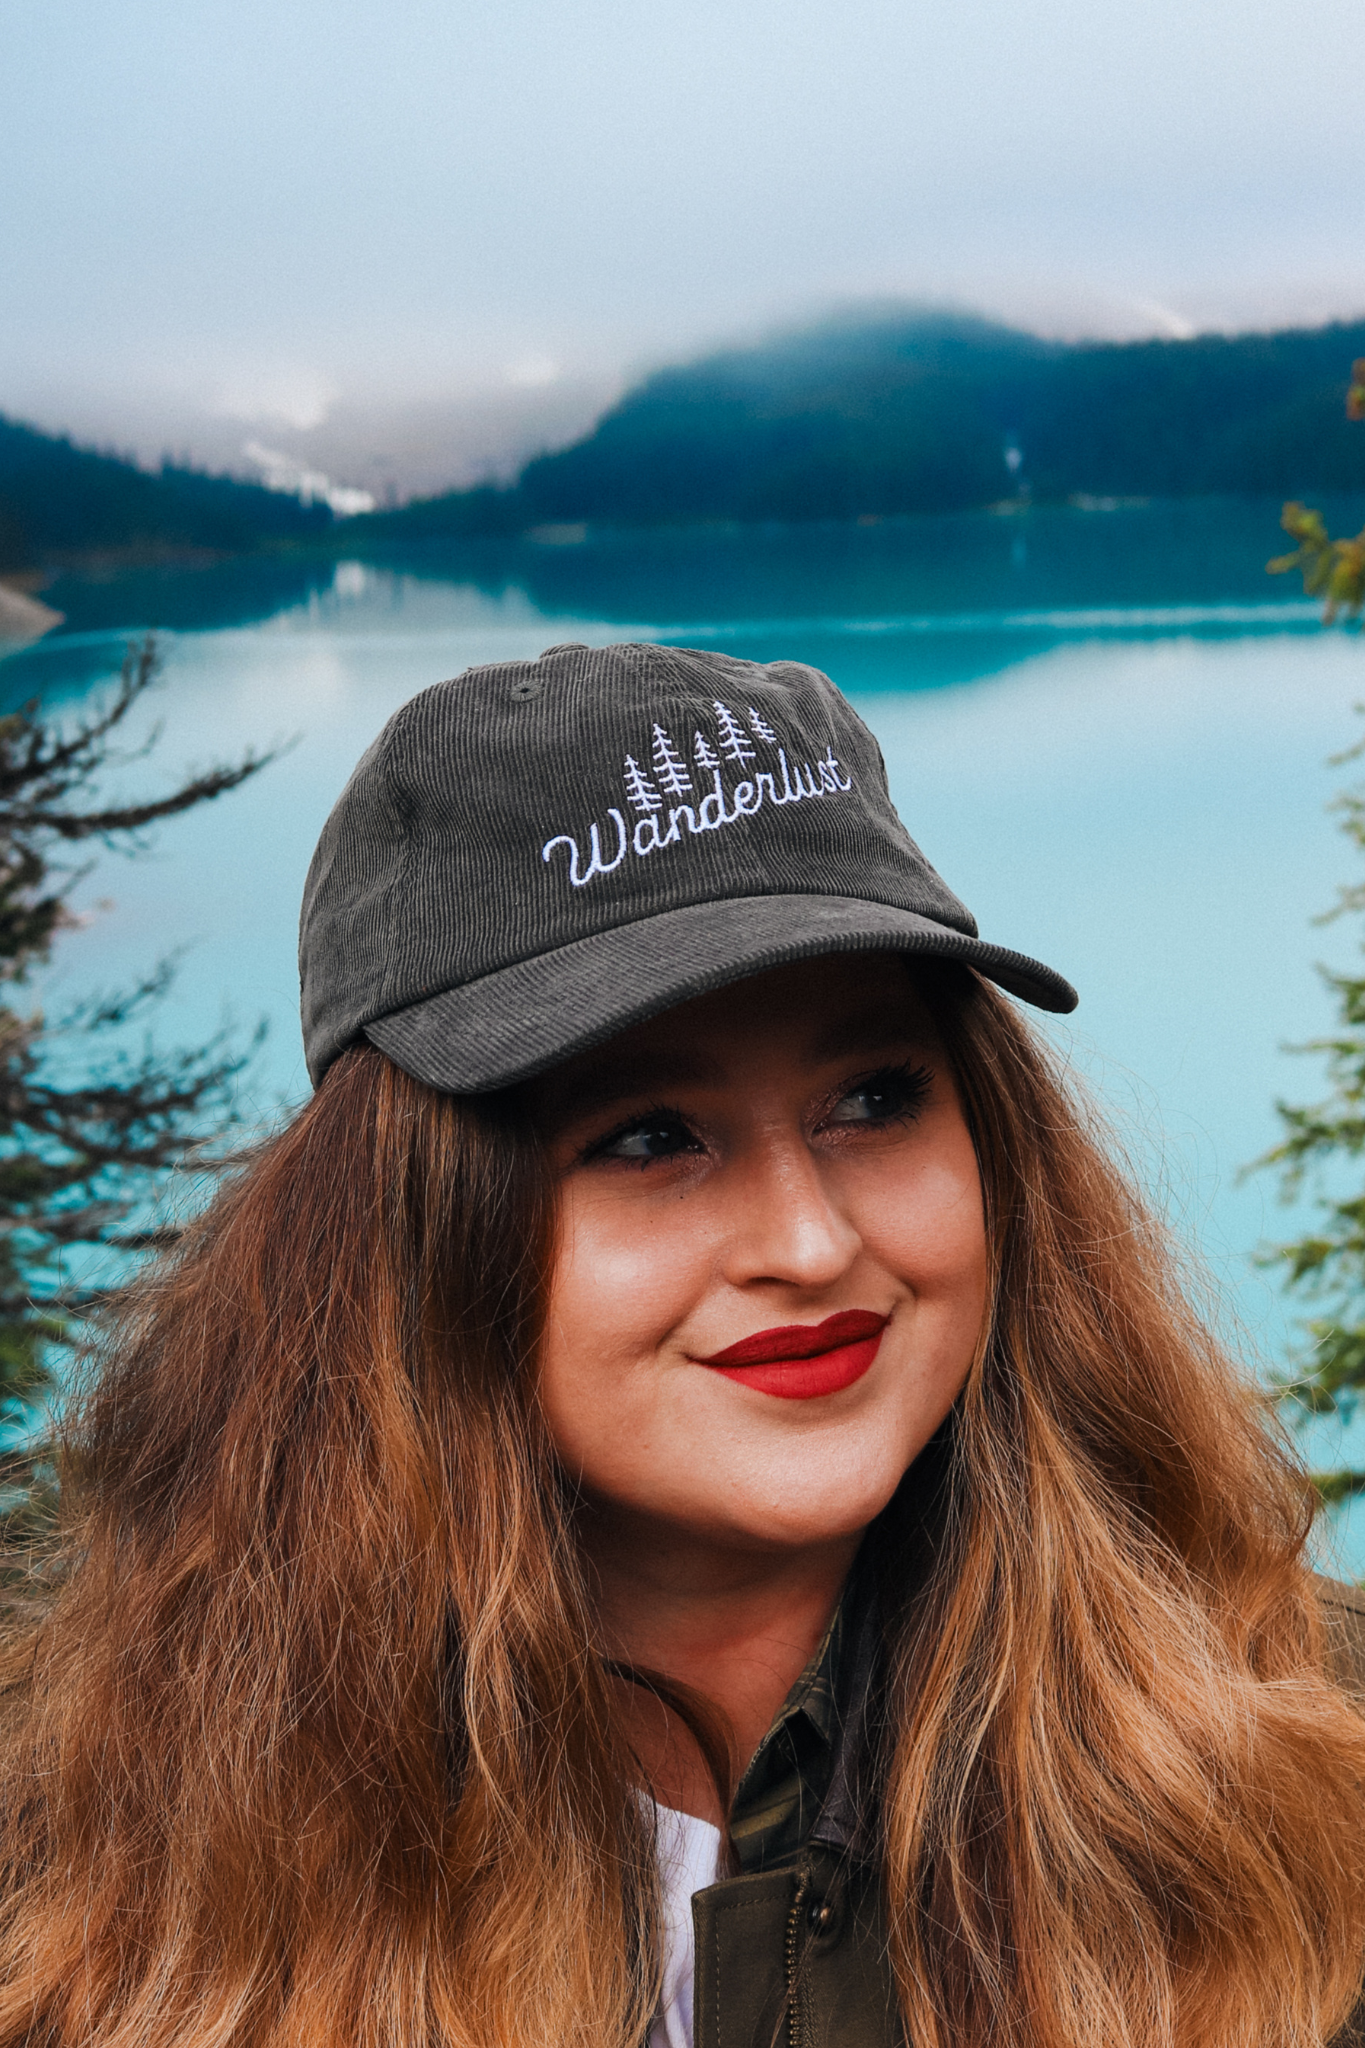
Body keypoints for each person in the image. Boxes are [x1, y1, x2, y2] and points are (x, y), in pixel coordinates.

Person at [1, 640, 1364, 2048]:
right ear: (402, 1233)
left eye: (874, 1099)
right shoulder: (81, 1854)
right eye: (651, 1136)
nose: (810, 1242)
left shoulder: (1316, 1759)